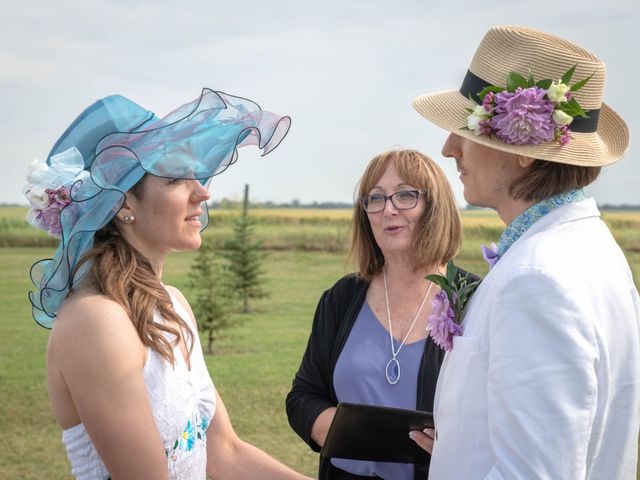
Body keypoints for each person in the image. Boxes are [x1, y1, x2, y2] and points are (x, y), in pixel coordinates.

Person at [24, 89, 312, 479]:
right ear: (124, 203)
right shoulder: (96, 320)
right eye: (177, 177)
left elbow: (223, 452)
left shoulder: (172, 303)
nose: (203, 192)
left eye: (197, 175)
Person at [410, 25, 640, 479]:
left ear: (526, 151)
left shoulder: (539, 278)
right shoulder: (591, 250)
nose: (449, 148)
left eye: (468, 130)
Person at [286, 149, 479, 480]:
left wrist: (460, 444)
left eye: (405, 195)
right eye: (375, 198)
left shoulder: (474, 300)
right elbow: (303, 396)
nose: (388, 209)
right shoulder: (343, 298)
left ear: (436, 207)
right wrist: (334, 429)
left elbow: (502, 414)